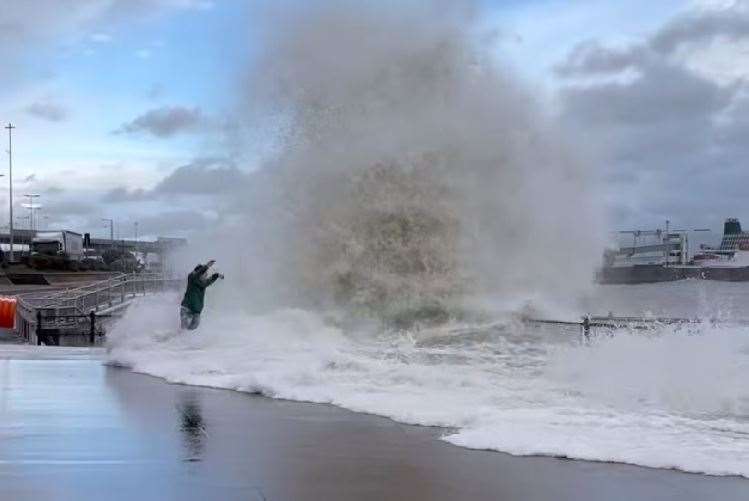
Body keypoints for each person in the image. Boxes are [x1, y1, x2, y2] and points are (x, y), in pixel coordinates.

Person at [180, 260, 223, 330]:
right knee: (184, 328)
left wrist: (216, 275)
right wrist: (206, 266)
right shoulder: (192, 278)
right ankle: (178, 338)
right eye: (204, 273)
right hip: (186, 307)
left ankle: (187, 339)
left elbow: (209, 281)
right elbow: (197, 274)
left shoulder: (203, 283)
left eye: (206, 273)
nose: (206, 275)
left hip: (196, 310)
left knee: (193, 328)